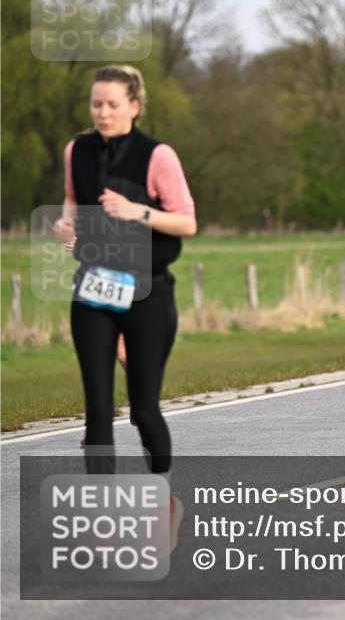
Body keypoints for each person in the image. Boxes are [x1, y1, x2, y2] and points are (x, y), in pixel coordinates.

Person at [52, 65, 197, 550]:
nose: (103, 112)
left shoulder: (158, 155)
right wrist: (66, 227)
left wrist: (137, 210)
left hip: (147, 291)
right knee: (97, 408)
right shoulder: (77, 151)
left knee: (144, 409)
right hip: (94, 288)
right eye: (96, 104)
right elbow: (73, 204)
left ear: (134, 106)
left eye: (112, 104)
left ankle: (163, 504)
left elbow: (187, 223)